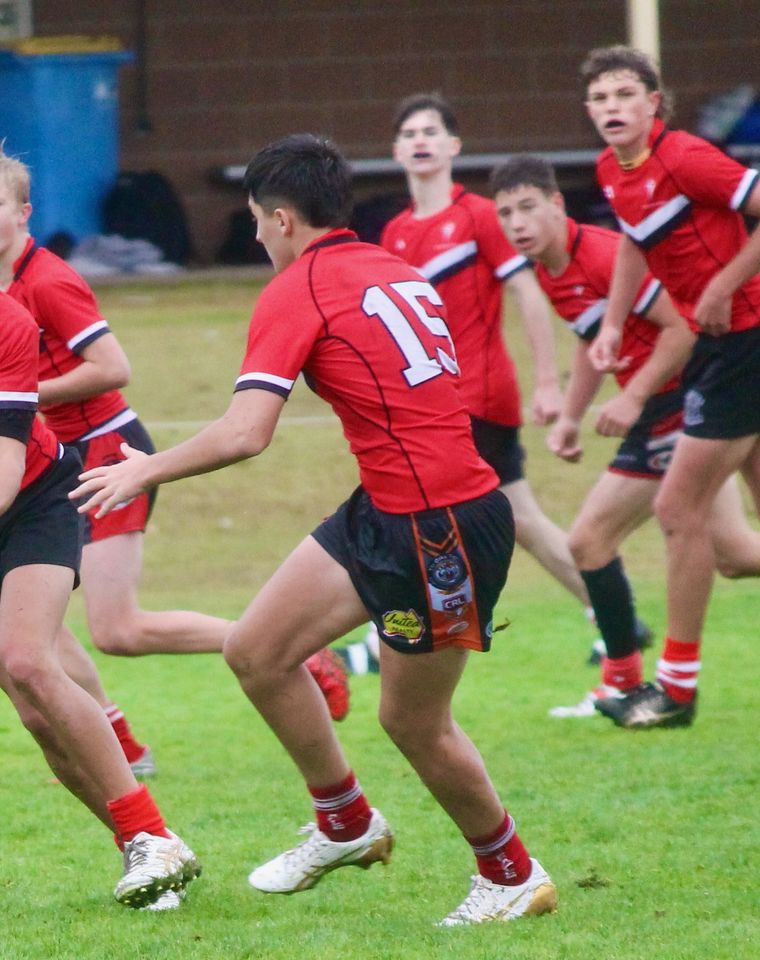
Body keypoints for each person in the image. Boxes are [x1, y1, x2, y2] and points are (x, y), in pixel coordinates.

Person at [71, 133, 558, 926]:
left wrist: (140, 470)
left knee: (412, 721)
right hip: (391, 506)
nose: (257, 236)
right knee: (257, 651)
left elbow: (244, 433)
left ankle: (511, 873)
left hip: (439, 528)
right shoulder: (394, 267)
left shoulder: (301, 287)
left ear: (285, 219)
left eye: (259, 223)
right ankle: (346, 822)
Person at [0, 149, 349, 735]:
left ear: (24, 212)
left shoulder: (49, 280)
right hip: (41, 464)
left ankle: (289, 649)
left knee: (118, 630)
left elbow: (113, 367)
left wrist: (19, 398)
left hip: (106, 453)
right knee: (28, 621)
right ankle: (119, 741)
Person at [376, 92, 652, 666]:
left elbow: (526, 291)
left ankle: (393, 640)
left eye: (432, 131)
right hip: (431, 402)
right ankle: (612, 618)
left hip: (476, 394)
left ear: (454, 146)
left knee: (411, 508)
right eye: (409, 133)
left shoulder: (481, 214)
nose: (420, 141)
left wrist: (547, 382)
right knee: (518, 518)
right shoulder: (396, 233)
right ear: (396, 151)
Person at [491, 154, 760, 717]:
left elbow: (683, 330)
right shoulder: (549, 269)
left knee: (592, 539)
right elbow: (598, 346)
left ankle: (629, 686)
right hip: (663, 411)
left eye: (528, 208)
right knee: (730, 554)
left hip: (685, 404)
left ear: (557, 204)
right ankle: (623, 685)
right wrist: (570, 413)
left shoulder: (601, 254)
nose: (517, 223)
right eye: (506, 213)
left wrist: (634, 394)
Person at [0, 289, 200, 909]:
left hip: (31, 497)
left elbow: (5, 470)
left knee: (29, 661)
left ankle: (147, 837)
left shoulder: (8, 319)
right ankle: (150, 845)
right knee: (37, 716)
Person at [581, 45, 760, 728]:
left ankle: (675, 692)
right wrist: (614, 323)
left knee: (679, 510)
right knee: (742, 556)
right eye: (599, 99)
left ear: (654, 103)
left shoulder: (684, 156)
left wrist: (721, 284)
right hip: (720, 346)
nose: (612, 109)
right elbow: (635, 240)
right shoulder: (613, 169)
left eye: (625, 95)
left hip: (746, 340)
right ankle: (674, 690)